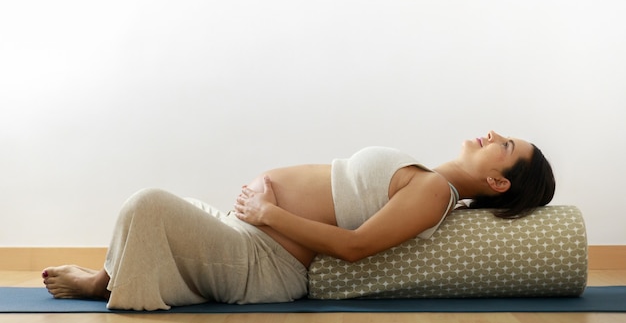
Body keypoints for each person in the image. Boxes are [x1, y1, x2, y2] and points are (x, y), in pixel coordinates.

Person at [42, 130, 555, 310]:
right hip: (250, 236)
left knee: (146, 203)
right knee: (160, 207)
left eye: (505, 145)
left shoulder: (434, 192)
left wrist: (270, 211)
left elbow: (354, 246)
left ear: (499, 184)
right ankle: (116, 278)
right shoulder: (430, 181)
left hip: (267, 264)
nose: (492, 134)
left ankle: (103, 284)